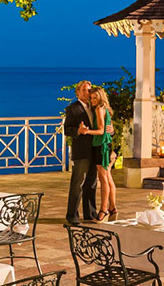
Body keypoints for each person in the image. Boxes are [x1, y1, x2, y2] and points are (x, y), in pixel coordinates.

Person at [64, 80, 99, 225]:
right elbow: (67, 129)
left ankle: (90, 213)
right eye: (84, 90)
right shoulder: (73, 108)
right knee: (77, 184)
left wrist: (110, 130)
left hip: (94, 150)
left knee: (91, 184)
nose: (87, 92)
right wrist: (78, 130)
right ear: (78, 92)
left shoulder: (95, 107)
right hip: (82, 152)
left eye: (89, 90)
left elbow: (101, 126)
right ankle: (72, 215)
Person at [80, 87, 117, 222]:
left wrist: (86, 131)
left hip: (101, 146)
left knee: (103, 179)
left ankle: (104, 209)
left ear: (101, 97)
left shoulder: (98, 109)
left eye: (95, 97)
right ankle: (112, 207)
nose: (92, 100)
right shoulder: (104, 108)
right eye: (91, 98)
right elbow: (108, 128)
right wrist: (110, 131)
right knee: (107, 177)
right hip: (105, 144)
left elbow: (101, 130)